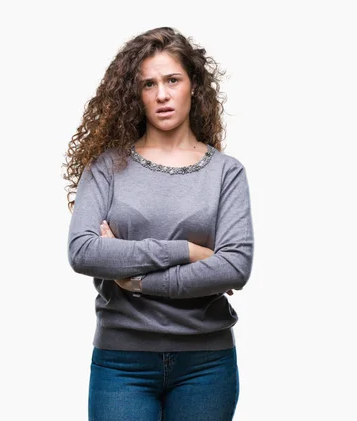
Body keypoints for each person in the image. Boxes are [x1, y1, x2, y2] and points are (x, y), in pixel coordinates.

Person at [62, 26, 254, 421]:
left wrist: (136, 281)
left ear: (194, 86)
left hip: (207, 364)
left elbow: (235, 266)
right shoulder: (106, 169)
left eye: (172, 80)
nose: (162, 94)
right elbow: (83, 252)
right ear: (137, 95)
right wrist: (188, 252)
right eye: (149, 84)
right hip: (122, 363)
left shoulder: (226, 173)